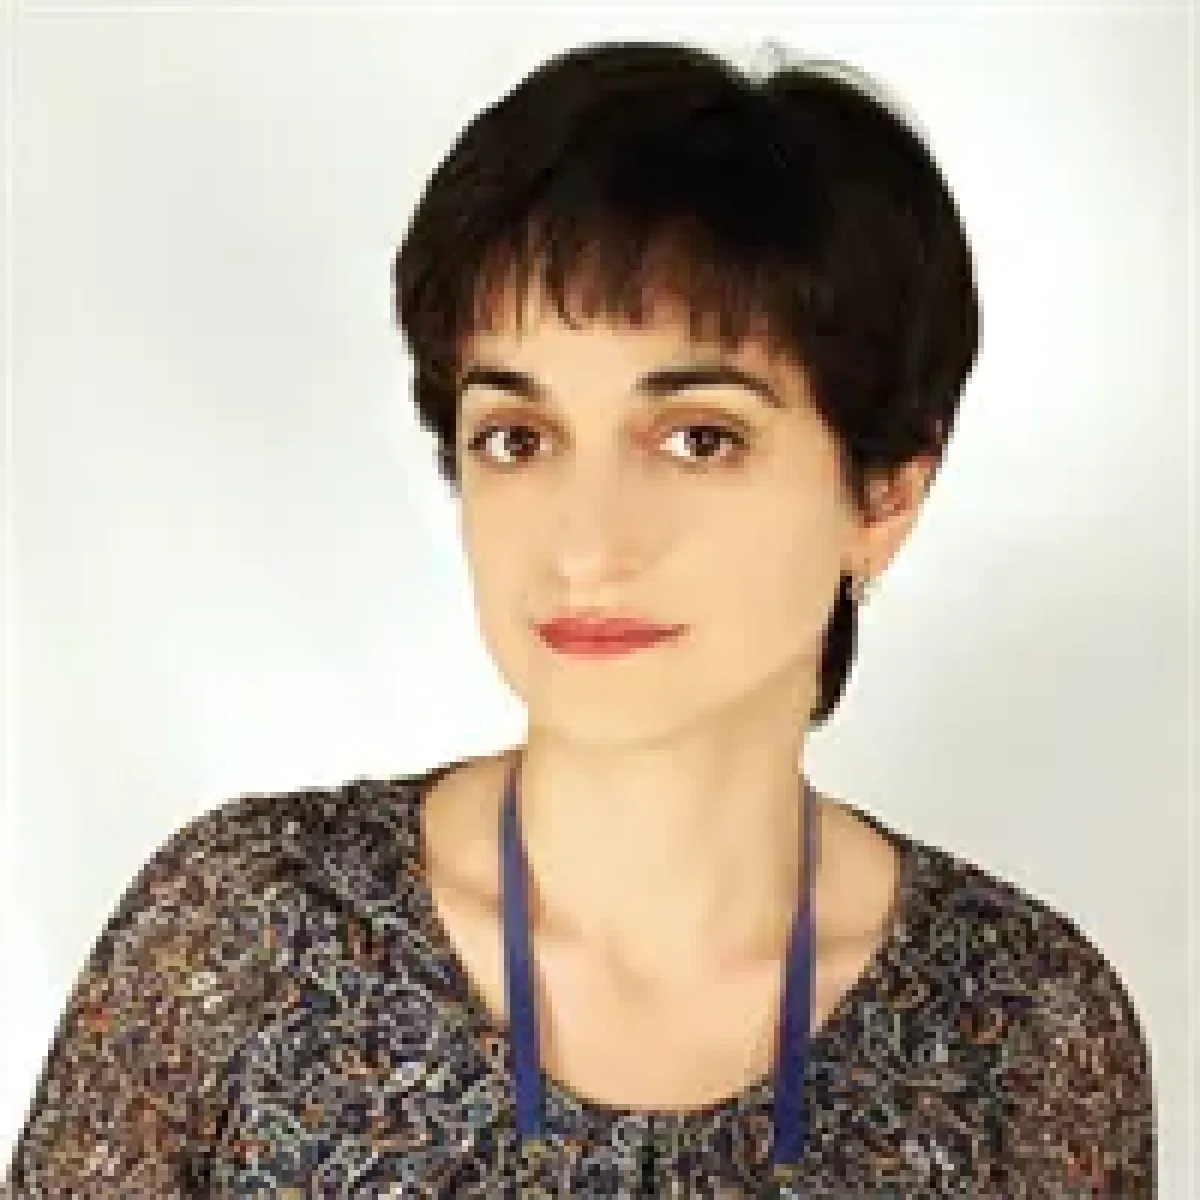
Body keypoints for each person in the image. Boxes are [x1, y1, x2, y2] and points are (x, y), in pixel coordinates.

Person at [4, 39, 1154, 1198]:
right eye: (519, 439)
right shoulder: (248, 935)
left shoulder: (1024, 1030)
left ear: (885, 494)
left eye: (699, 438)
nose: (586, 542)